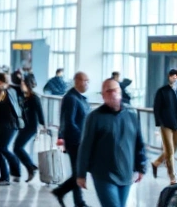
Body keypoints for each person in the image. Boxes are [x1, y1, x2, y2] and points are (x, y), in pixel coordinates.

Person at [74, 79, 146, 207]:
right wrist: (81, 173)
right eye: (108, 91)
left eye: (115, 90)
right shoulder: (95, 117)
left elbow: (139, 142)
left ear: (120, 92)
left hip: (126, 173)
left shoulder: (131, 114)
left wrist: (141, 166)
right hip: (103, 175)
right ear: (103, 96)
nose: (112, 93)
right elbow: (85, 146)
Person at [53, 72, 91, 207]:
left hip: (81, 140)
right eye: (85, 80)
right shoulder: (71, 98)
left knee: (78, 172)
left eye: (88, 81)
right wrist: (80, 138)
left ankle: (74, 199)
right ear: (76, 81)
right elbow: (68, 122)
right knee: (78, 172)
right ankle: (65, 194)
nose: (87, 84)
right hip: (75, 142)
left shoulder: (81, 98)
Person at [0, 69, 24, 185]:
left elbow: (1, 108)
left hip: (8, 125)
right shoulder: (6, 92)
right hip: (5, 124)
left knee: (3, 149)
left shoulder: (6, 92)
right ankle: (4, 177)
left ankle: (15, 168)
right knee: (1, 150)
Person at [14, 75, 46, 182]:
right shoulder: (24, 97)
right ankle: (31, 167)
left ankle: (31, 167)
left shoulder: (34, 98)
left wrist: (43, 126)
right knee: (17, 148)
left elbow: (40, 113)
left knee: (17, 147)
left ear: (28, 84)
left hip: (31, 127)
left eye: (23, 83)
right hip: (25, 126)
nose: (21, 85)